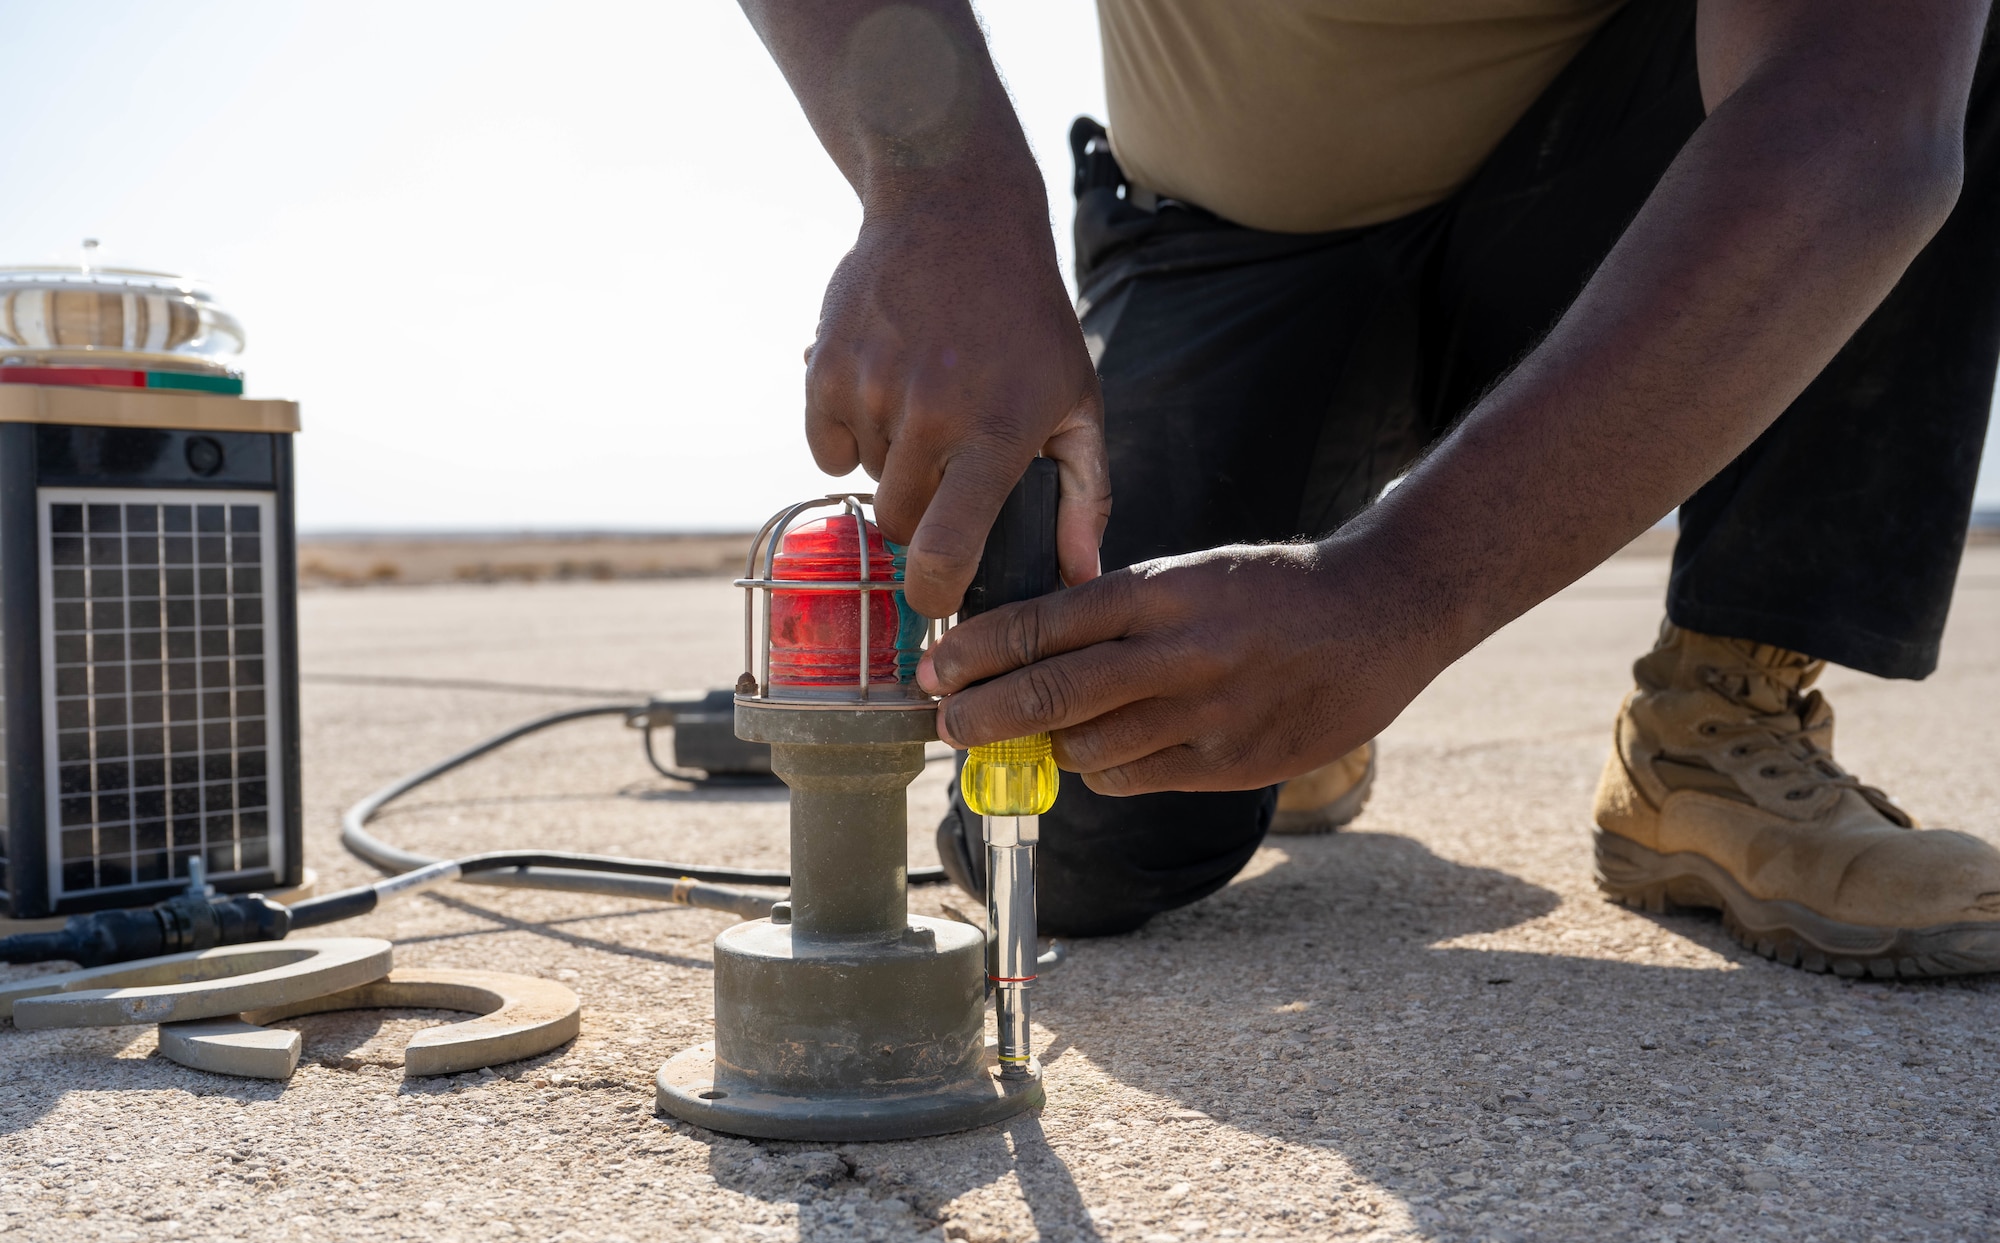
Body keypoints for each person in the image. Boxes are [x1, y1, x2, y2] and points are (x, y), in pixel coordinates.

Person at [737, 0, 2000, 975]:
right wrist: (934, 184)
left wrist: (1397, 593)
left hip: (1604, 200)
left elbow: (1860, 125)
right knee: (1093, 827)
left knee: (1926, 56)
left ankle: (1721, 715)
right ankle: (1291, 695)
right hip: (1223, 241)